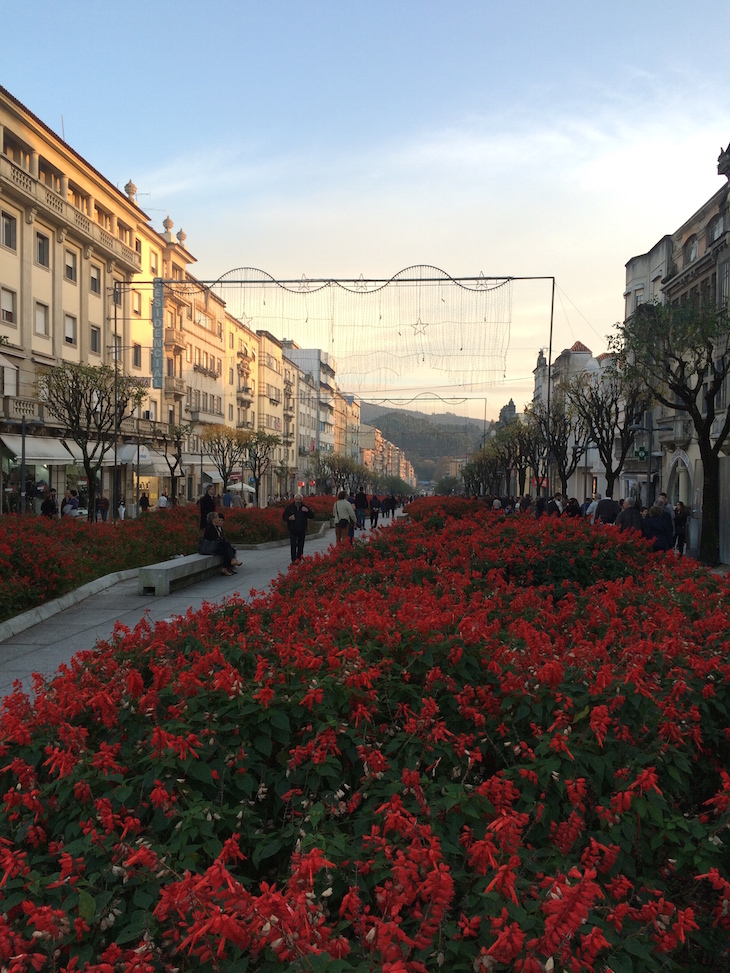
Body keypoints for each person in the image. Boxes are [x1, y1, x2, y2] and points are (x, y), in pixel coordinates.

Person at [204, 511, 241, 576]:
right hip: (211, 548)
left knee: (230, 550)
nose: (218, 519)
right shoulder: (209, 527)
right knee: (227, 545)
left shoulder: (216, 527)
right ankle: (232, 560)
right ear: (213, 519)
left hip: (216, 546)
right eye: (217, 517)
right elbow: (214, 539)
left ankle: (225, 568)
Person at [282, 493, 314, 562]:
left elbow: (312, 516)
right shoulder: (290, 507)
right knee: (293, 545)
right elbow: (284, 517)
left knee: (301, 545)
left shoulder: (304, 507)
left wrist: (307, 511)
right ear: (294, 499)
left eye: (299, 500)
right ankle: (293, 559)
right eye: (297, 499)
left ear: (301, 500)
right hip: (293, 529)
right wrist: (289, 518)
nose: (298, 501)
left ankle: (299, 558)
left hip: (302, 530)